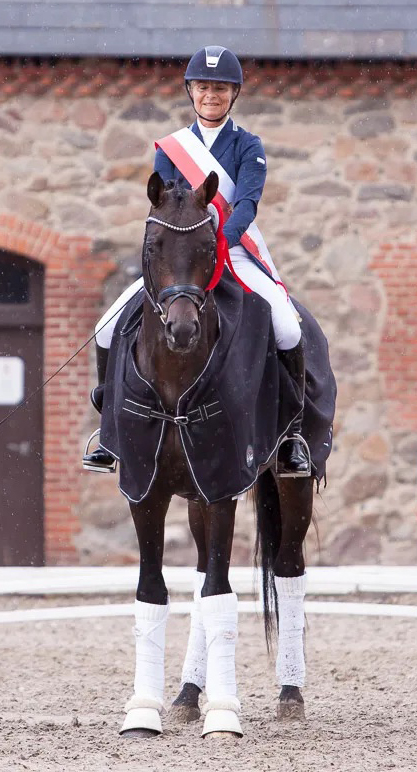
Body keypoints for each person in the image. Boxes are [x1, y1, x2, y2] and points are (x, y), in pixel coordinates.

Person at [83, 45, 309, 476]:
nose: (211, 95)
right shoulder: (172, 148)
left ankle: (292, 436)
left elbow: (246, 203)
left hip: (235, 249)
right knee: (106, 326)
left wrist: (222, 239)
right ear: (191, 91)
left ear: (234, 94)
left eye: (220, 88)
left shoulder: (248, 145)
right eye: (204, 87)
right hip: (183, 255)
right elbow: (168, 203)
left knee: (285, 325)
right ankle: (109, 432)